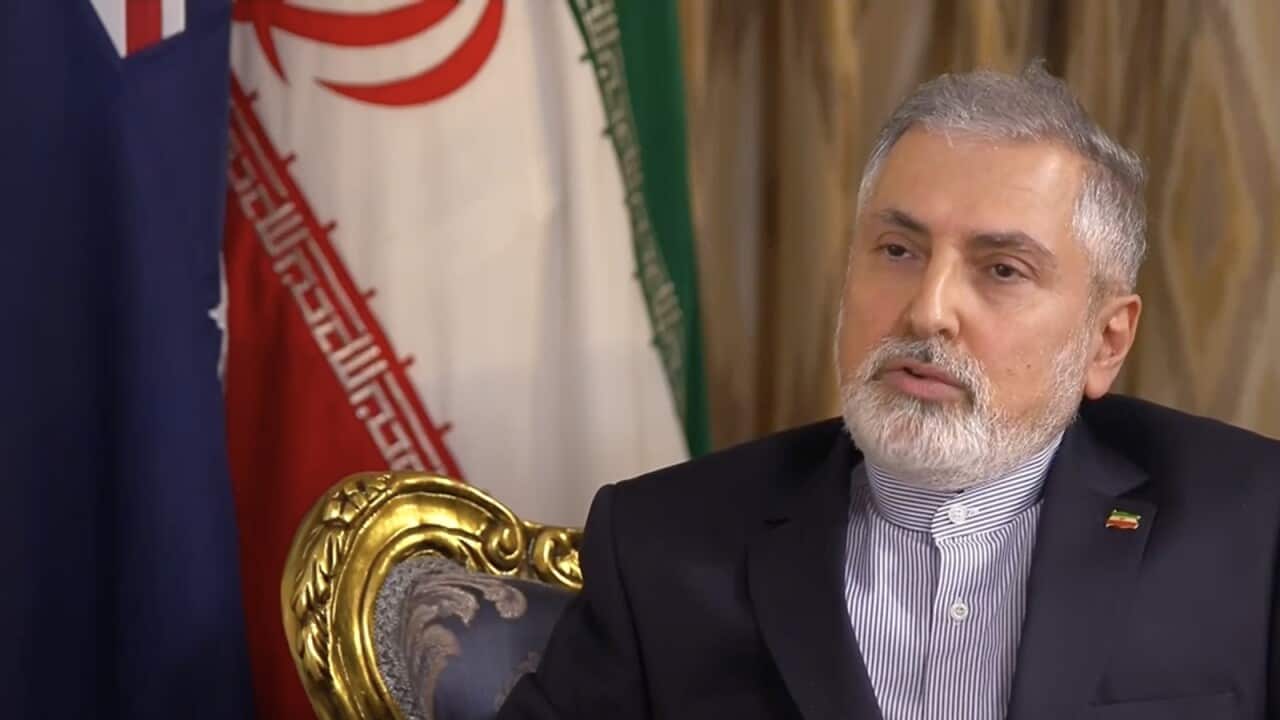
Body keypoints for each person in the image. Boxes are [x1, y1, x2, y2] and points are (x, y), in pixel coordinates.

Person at [497, 64, 1280, 720]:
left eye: (1002, 269)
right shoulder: (662, 545)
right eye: (899, 250)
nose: (929, 309)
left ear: (1105, 341)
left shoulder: (1252, 527)